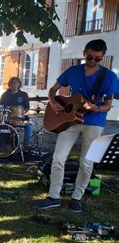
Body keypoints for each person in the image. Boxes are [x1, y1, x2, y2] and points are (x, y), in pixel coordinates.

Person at [37, 39, 117, 213]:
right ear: (84, 52)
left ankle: (77, 197)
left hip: (94, 122)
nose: (93, 60)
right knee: (58, 157)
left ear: (102, 57)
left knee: (86, 163)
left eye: (97, 58)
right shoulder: (73, 71)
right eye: (90, 56)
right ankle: (54, 196)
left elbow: (108, 105)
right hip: (70, 121)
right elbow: (53, 90)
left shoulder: (109, 77)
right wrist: (53, 102)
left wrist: (96, 107)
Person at [0, 77, 32, 143]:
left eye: (15, 83)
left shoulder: (24, 95)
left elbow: (27, 107)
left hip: (19, 118)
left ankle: (27, 145)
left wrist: (23, 111)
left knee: (29, 125)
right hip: (7, 119)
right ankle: (3, 143)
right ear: (9, 85)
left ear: (19, 84)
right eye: (12, 83)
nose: (13, 84)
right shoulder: (5, 95)